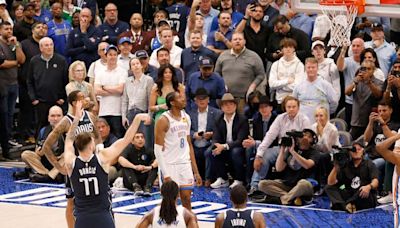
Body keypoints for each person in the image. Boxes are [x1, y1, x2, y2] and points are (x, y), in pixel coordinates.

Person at [64, 100, 148, 228]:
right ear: (92, 145)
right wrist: (137, 119)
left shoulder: (71, 162)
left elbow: (69, 139)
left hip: (82, 217)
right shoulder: (102, 158)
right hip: (102, 215)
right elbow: (126, 140)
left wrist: (76, 119)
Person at [41, 91, 101, 228]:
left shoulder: (90, 116)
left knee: (96, 198)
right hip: (74, 166)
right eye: (82, 98)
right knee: (72, 201)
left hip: (91, 163)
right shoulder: (66, 121)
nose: (86, 99)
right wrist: (59, 167)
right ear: (74, 103)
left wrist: (99, 152)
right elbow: (46, 146)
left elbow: (97, 137)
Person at [251, 96, 311, 192]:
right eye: (289, 107)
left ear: (298, 108)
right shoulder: (280, 118)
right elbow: (269, 136)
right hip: (282, 148)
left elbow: (309, 141)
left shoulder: (304, 119)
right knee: (264, 155)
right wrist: (258, 155)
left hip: (298, 150)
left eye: (294, 106)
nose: (291, 109)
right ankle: (255, 186)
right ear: (285, 108)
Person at [154, 91, 202, 210]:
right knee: (170, 200)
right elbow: (157, 150)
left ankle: (188, 223)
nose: (183, 99)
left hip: (184, 163)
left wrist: (196, 171)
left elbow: (189, 144)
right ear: (172, 102)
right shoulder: (163, 120)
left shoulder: (186, 117)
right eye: (180, 97)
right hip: (169, 164)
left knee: (186, 197)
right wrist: (165, 174)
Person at [215, 32, 265, 113]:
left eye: (240, 39)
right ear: (231, 41)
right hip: (226, 98)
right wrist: (222, 84)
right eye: (235, 39)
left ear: (244, 41)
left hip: (243, 99)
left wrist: (253, 86)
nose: (237, 41)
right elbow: (216, 73)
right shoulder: (223, 56)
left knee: (241, 123)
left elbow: (261, 74)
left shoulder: (254, 56)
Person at [207, 93, 249, 189]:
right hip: (223, 146)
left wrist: (224, 146)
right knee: (211, 150)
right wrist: (216, 145)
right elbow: (215, 137)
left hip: (238, 146)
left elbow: (240, 140)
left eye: (231, 104)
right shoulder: (218, 119)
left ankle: (239, 179)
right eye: (225, 104)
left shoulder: (242, 119)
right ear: (221, 107)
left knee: (235, 152)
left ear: (235, 106)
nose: (228, 107)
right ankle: (222, 178)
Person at [27, 37, 68, 132]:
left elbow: (66, 80)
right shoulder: (34, 61)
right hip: (40, 102)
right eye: (46, 45)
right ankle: (39, 146)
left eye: (51, 45)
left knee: (58, 127)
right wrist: (33, 98)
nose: (49, 47)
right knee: (40, 127)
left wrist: (63, 97)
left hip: (57, 101)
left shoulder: (61, 60)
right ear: (41, 48)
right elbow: (29, 81)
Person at [325, 142, 379, 213]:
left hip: (364, 195)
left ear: (363, 151)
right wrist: (336, 166)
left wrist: (369, 187)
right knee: (330, 187)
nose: (356, 151)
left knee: (362, 190)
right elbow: (330, 182)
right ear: (349, 152)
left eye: (359, 149)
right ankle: (348, 205)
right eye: (353, 150)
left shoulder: (369, 164)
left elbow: (375, 181)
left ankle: (343, 205)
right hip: (349, 193)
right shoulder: (345, 165)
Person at [18, 106, 64, 182]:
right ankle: (46, 174)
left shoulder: (68, 130)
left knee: (66, 157)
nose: (55, 119)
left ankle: (40, 173)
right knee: (26, 154)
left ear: (63, 118)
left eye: (58, 116)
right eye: (53, 116)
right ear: (48, 118)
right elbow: (38, 152)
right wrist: (42, 151)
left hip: (61, 161)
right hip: (47, 161)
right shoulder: (43, 130)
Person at [19, 22, 46, 144]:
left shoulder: (47, 44)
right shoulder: (25, 44)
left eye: (44, 28)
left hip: (42, 83)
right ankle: (26, 135)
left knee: (40, 112)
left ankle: (39, 134)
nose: (42, 30)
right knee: (27, 111)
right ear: (33, 30)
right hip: (26, 82)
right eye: (39, 27)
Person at [243, 95, 277, 192]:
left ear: (271, 108)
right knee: (248, 149)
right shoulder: (256, 119)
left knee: (262, 153)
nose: (263, 109)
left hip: (274, 147)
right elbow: (256, 138)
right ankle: (248, 181)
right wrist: (251, 142)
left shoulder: (276, 119)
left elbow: (273, 141)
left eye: (266, 106)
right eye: (261, 107)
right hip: (260, 146)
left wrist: (256, 143)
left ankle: (255, 184)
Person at [0, 21, 26, 150]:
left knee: (10, 113)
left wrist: (16, 45)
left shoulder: (15, 44)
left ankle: (9, 138)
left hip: (14, 83)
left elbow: (22, 59)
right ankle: (3, 140)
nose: (9, 31)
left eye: (10, 29)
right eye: (6, 29)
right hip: (2, 84)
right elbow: (1, 64)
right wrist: (16, 63)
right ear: (0, 31)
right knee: (3, 114)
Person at [363, 101, 398, 195]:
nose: (381, 113)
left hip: (384, 157)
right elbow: (366, 139)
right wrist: (370, 123)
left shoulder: (395, 125)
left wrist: (383, 124)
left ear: (390, 110)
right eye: (379, 111)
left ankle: (375, 190)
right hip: (370, 153)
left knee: (374, 164)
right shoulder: (374, 124)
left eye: (384, 110)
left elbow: (392, 139)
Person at [188, 88, 222, 182]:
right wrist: (194, 134)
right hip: (195, 143)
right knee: (188, 151)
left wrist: (212, 134)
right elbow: (187, 130)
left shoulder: (217, 113)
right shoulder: (190, 114)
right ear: (195, 100)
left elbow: (221, 130)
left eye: (204, 98)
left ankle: (208, 179)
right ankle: (192, 178)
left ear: (208, 100)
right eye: (199, 99)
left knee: (209, 152)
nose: (201, 101)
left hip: (210, 142)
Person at [94, 44, 128, 138]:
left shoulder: (122, 71)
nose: (112, 57)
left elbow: (120, 90)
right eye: (110, 54)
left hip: (117, 112)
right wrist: (113, 89)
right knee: (102, 138)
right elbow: (96, 91)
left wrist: (104, 87)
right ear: (106, 56)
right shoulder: (100, 72)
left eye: (114, 54)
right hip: (103, 111)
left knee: (118, 137)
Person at [345, 60, 383, 139]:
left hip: (370, 123)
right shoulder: (356, 80)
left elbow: (378, 95)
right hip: (355, 121)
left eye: (369, 69)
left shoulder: (378, 82)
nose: (366, 71)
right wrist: (355, 81)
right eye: (364, 68)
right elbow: (347, 92)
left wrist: (369, 82)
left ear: (373, 70)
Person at [293, 57, 339, 122]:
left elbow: (334, 102)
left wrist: (326, 112)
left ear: (317, 69)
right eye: (308, 67)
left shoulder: (326, 85)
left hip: (321, 123)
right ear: (305, 69)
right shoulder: (298, 86)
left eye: (313, 67)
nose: (311, 69)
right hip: (303, 124)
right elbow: (294, 103)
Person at [337, 38, 365, 127]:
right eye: (353, 46)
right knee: (350, 126)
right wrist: (343, 51)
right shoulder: (347, 61)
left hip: (365, 101)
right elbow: (340, 67)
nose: (355, 48)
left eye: (358, 46)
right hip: (350, 101)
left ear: (363, 48)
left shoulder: (367, 62)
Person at [268, 38, 304, 105]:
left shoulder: (300, 65)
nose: (288, 49)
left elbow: (298, 87)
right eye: (285, 47)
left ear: (294, 49)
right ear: (282, 49)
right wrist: (287, 81)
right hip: (280, 101)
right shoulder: (275, 65)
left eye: (290, 47)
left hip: (295, 102)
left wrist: (280, 86)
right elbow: (272, 84)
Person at [122, 58, 154, 126]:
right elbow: (125, 100)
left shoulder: (148, 80)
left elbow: (150, 100)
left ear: (141, 66)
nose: (136, 66)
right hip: (130, 113)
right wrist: (124, 116)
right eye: (133, 64)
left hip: (142, 112)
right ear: (130, 68)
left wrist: (149, 115)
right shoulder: (127, 81)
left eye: (137, 63)